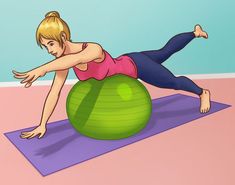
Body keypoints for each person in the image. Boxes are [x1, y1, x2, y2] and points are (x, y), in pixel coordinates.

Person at [13, 11, 211, 139]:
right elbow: (55, 92)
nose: (49, 50)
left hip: (136, 66)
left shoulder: (91, 49)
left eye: (51, 44)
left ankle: (202, 92)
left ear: (63, 37)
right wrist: (42, 124)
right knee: (163, 52)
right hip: (127, 59)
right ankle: (195, 32)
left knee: (172, 80)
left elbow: (74, 60)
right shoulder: (61, 61)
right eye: (45, 46)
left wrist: (41, 69)